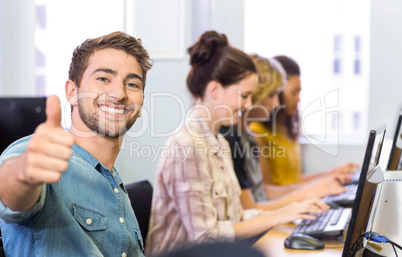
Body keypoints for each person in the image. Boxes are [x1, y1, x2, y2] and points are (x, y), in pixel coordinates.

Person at [145, 31, 329, 256]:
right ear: (214, 89)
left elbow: (237, 216)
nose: (249, 104)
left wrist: (290, 210)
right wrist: (279, 215)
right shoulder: (187, 146)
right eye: (244, 96)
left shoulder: (219, 143)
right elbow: (204, 236)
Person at [0, 31, 153, 256]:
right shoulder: (41, 156)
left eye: (132, 84)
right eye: (103, 78)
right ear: (72, 92)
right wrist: (24, 173)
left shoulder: (115, 185)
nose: (119, 94)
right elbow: (11, 192)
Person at [220, 54, 348, 211]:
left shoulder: (247, 136)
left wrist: (318, 186)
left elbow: (262, 191)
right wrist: (307, 194)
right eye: (271, 94)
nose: (276, 103)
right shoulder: (232, 138)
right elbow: (249, 209)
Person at [249, 55, 358, 186]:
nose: (298, 99)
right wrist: (320, 185)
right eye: (294, 92)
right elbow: (269, 191)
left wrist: (332, 173)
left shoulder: (284, 127)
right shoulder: (256, 132)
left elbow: (295, 180)